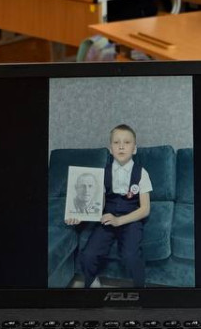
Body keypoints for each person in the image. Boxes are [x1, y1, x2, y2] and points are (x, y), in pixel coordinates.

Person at [73, 124, 151, 289]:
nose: (121, 146)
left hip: (130, 219)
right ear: (111, 148)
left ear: (134, 149)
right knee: (88, 255)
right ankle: (92, 280)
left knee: (130, 256)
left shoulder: (141, 172)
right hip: (107, 217)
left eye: (127, 142)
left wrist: (119, 221)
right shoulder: (102, 173)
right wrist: (79, 215)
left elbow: (145, 209)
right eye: (116, 142)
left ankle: (140, 287)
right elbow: (98, 203)